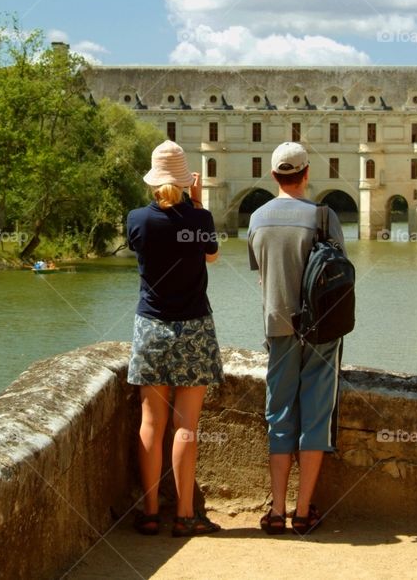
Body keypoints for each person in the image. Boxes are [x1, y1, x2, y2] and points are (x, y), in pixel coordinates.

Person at [247, 142, 346, 536]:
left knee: (280, 414)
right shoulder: (324, 216)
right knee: (316, 417)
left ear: (274, 176)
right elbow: (338, 273)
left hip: (278, 328)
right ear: (307, 174)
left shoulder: (256, 218)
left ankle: (276, 509)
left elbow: (262, 273)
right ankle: (304, 512)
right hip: (321, 331)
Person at [126, 140, 224, 538]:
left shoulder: (136, 219)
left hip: (151, 326)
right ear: (186, 181)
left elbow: (142, 248)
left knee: (152, 423)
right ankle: (185, 516)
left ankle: (150, 513)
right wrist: (197, 207)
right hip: (194, 327)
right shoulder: (199, 219)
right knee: (186, 426)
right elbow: (212, 256)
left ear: (152, 180)